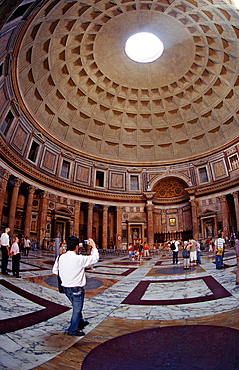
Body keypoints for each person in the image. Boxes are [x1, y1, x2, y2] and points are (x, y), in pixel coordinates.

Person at [52, 236, 99, 336]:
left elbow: (55, 271)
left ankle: (80, 322)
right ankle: (72, 330)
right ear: (77, 247)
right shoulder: (79, 259)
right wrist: (93, 247)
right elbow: (95, 258)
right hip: (76, 289)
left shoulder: (60, 257)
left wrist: (66, 274)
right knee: (76, 310)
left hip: (65, 288)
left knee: (76, 306)